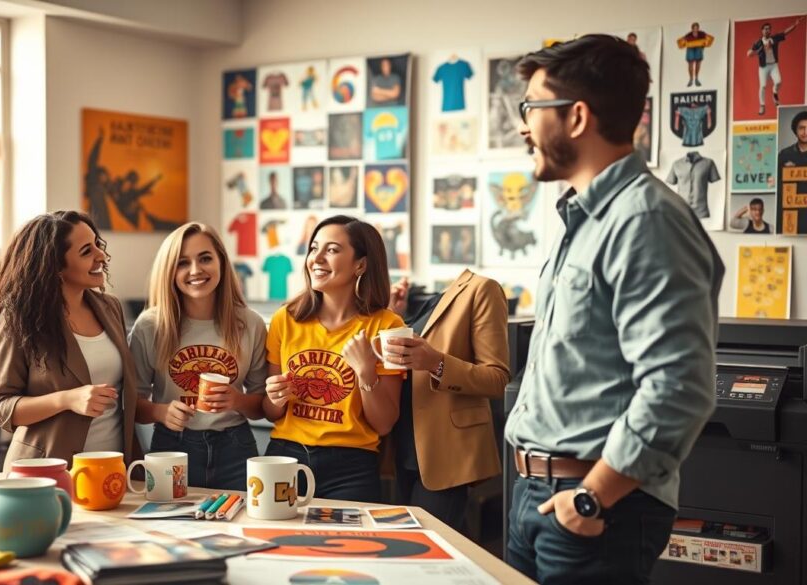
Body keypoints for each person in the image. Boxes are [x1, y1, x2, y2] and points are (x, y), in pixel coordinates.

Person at [505, 35, 723, 584]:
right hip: (536, 495)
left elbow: (678, 387)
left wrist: (591, 497)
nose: (522, 125)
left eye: (532, 108)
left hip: (593, 507)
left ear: (576, 117)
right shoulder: (582, 221)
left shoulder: (646, 221)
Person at [261, 215, 405, 502]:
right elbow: (270, 412)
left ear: (360, 265)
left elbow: (384, 423)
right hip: (285, 456)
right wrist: (275, 398)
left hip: (352, 467)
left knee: (351, 547)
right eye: (314, 248)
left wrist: (366, 372)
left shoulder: (388, 327)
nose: (317, 259)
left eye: (332, 250)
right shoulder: (284, 319)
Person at [0, 211, 139, 470]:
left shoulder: (110, 308)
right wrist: (66, 400)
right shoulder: (18, 317)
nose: (101, 255)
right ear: (54, 265)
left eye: (98, 245)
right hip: (46, 473)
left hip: (112, 470)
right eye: (86, 251)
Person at [129, 223, 267, 490]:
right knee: (168, 523)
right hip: (172, 446)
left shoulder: (250, 324)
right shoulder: (150, 326)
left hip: (235, 447)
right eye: (182, 263)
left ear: (222, 263)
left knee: (241, 524)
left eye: (205, 258)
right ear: (169, 271)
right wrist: (161, 411)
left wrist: (237, 400)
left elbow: (264, 406)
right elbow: (131, 403)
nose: (195, 270)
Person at [385, 274, 509, 534]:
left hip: (447, 455)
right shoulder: (405, 307)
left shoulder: (481, 289)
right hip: (400, 453)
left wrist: (436, 363)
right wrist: (394, 316)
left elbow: (497, 378)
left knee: (420, 550)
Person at [746, 19, 804, 116]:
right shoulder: (758, 42)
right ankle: (762, 105)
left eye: (769, 29)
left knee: (778, 82)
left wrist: (795, 25)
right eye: (765, 29)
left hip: (773, 65)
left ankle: (775, 94)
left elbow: (785, 32)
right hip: (763, 67)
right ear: (762, 31)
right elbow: (749, 53)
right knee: (763, 85)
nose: (767, 30)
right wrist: (759, 50)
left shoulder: (775, 38)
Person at [677, 22, 713, 87]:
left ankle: (696, 79)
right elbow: (680, 42)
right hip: (690, 49)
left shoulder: (702, 34)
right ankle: (691, 79)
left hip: (699, 49)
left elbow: (710, 38)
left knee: (698, 63)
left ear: (698, 28)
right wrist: (683, 45)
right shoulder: (688, 35)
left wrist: (706, 44)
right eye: (694, 28)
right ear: (692, 29)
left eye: (697, 28)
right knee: (690, 64)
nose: (695, 29)